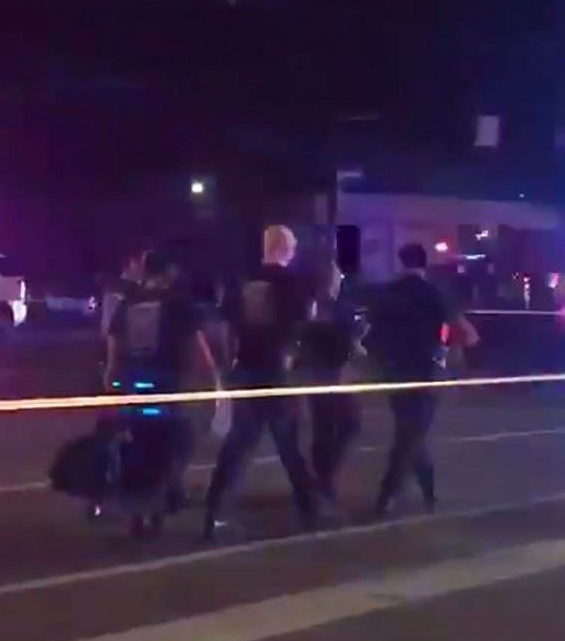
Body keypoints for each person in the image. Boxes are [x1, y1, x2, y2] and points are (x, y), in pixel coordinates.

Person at [202, 225, 321, 539]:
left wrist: (228, 365)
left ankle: (214, 510)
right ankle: (310, 507)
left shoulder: (244, 281)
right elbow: (303, 323)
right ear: (284, 248)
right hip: (276, 370)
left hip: (246, 367)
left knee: (238, 443)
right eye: (292, 246)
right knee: (288, 442)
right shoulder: (291, 282)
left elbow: (225, 326)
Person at [103, 248, 217, 532]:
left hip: (133, 384)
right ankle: (163, 501)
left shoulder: (127, 303)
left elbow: (113, 348)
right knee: (175, 443)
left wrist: (112, 381)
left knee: (136, 445)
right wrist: (212, 379)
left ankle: (137, 509)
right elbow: (198, 347)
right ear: (170, 273)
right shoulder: (178, 303)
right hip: (167, 384)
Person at [366, 243, 478, 517]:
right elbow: (467, 334)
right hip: (426, 372)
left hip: (395, 371)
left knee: (409, 432)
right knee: (410, 434)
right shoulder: (435, 294)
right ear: (423, 263)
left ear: (401, 263)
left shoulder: (388, 294)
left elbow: (371, 336)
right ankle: (390, 494)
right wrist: (449, 353)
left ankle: (425, 492)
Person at [299, 264, 364, 504]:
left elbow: (302, 343)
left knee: (324, 430)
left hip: (317, 376)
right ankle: (324, 480)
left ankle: (322, 479)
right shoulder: (340, 309)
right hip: (337, 376)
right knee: (348, 426)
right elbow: (352, 341)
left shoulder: (310, 308)